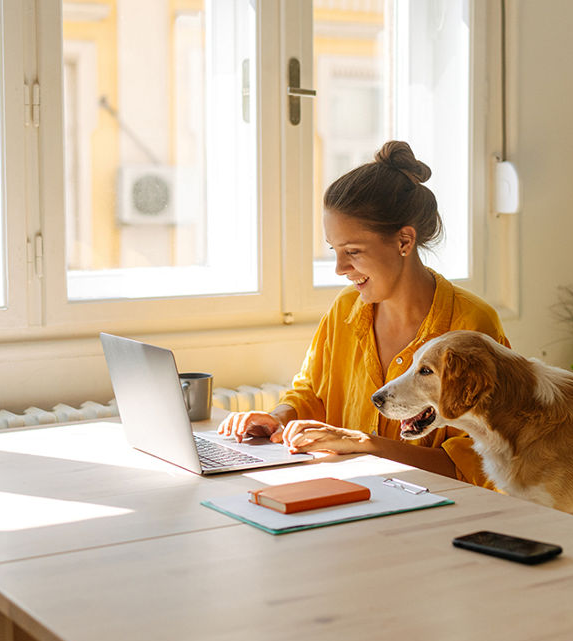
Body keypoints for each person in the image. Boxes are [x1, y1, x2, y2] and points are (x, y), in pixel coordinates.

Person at [218, 141, 509, 485]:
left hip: (435, 514)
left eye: (352, 251)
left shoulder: (471, 325)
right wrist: (278, 417)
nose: (340, 268)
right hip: (349, 498)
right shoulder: (345, 309)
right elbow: (312, 392)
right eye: (334, 250)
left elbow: (477, 467)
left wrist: (369, 446)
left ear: (404, 241)